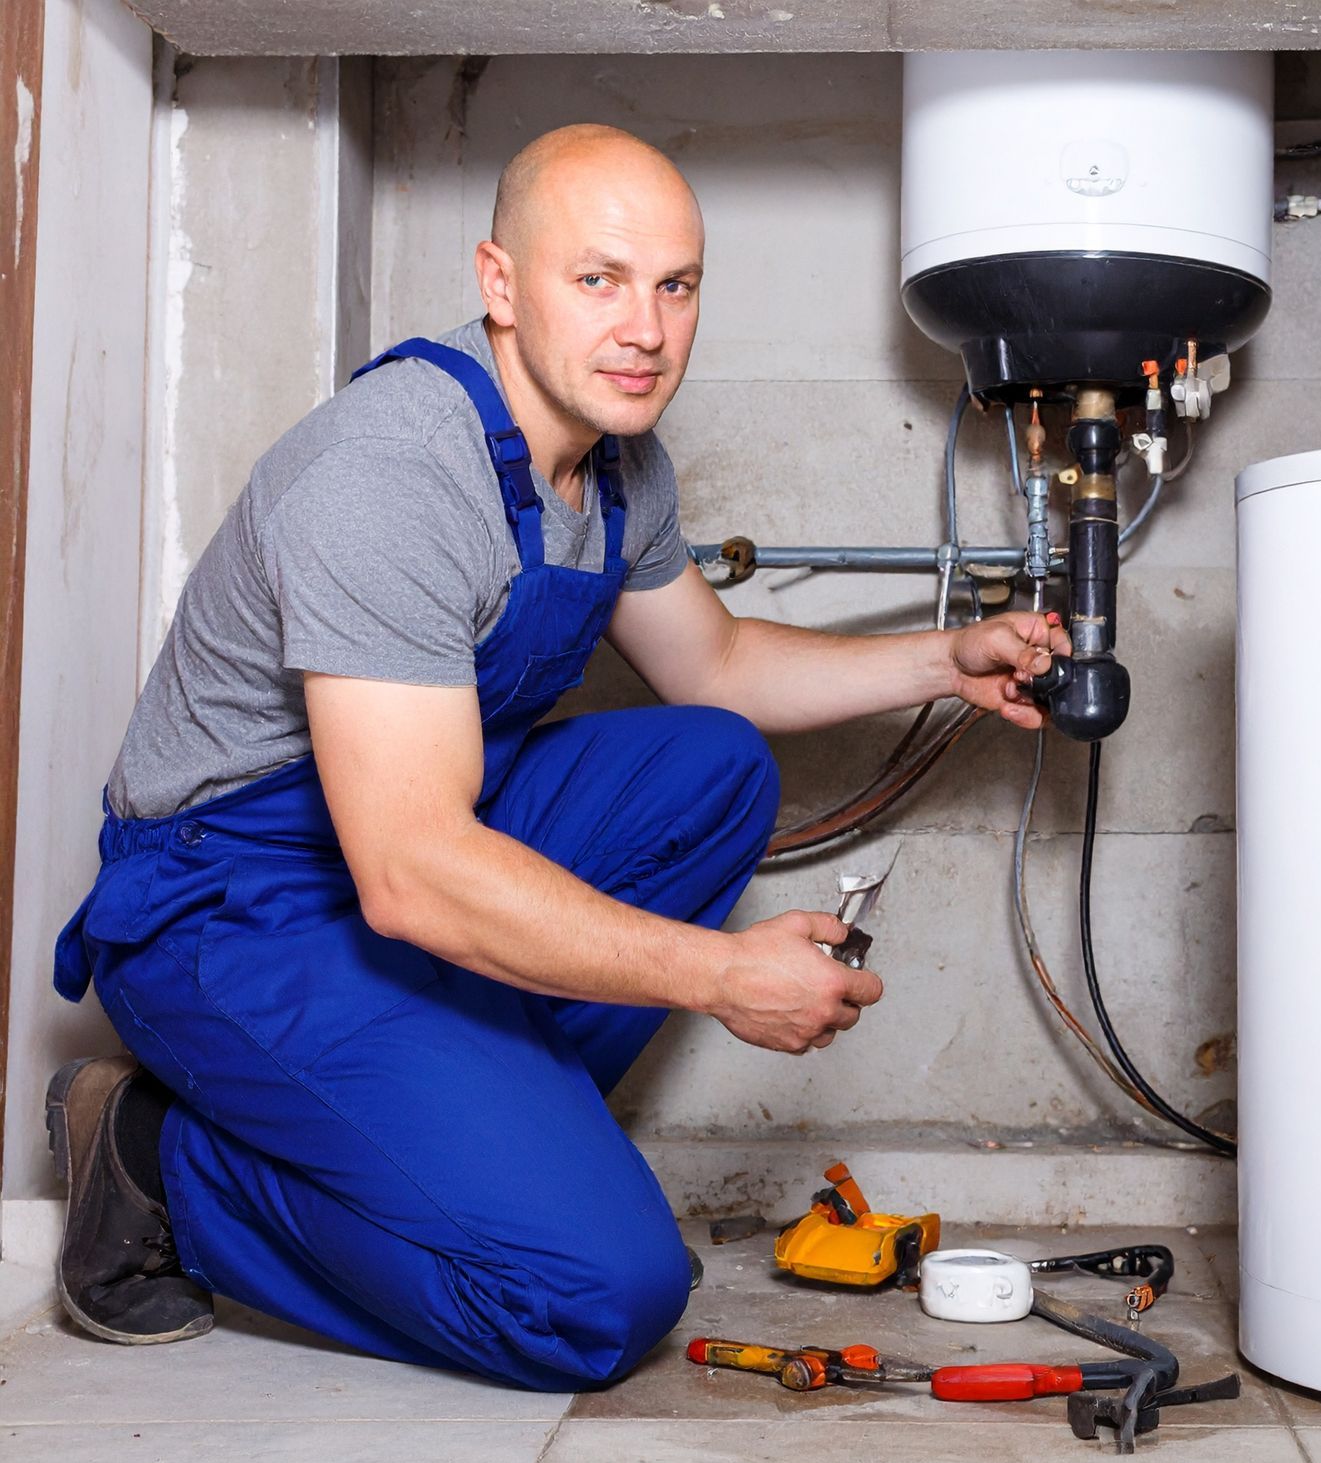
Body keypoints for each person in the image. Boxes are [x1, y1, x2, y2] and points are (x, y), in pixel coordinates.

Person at [45, 123, 1067, 1389]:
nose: (645, 328)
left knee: (713, 768)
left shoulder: (618, 465)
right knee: (591, 1296)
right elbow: (415, 872)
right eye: (599, 279)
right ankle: (156, 1158)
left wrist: (944, 657)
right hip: (228, 906)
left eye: (675, 285)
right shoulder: (391, 476)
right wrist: (716, 975)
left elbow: (718, 666)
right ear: (499, 282)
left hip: (400, 844)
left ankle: (488, 1144)